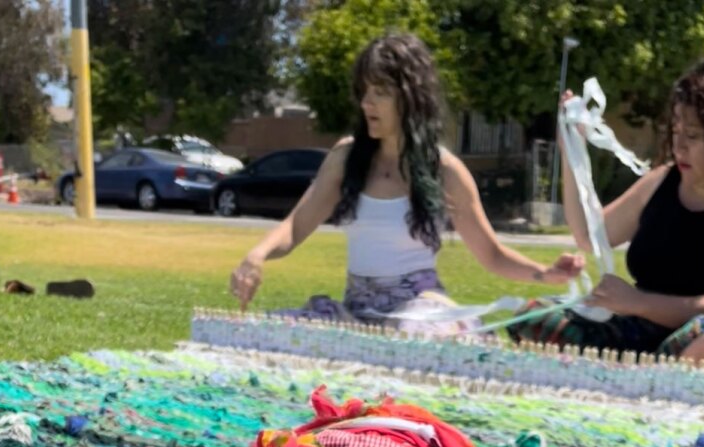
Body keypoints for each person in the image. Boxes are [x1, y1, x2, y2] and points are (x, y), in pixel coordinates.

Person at [229, 32, 583, 328]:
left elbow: (491, 254)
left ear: (410, 97)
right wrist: (256, 256)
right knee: (273, 330)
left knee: (421, 338)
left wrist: (545, 273)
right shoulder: (345, 158)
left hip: (419, 313)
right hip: (356, 313)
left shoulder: (445, 170)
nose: (367, 103)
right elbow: (295, 227)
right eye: (364, 92)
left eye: (380, 92)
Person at [515, 56, 704, 370]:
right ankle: (633, 382)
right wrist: (571, 150)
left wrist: (637, 302)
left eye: (693, 136)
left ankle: (632, 385)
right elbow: (591, 236)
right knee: (535, 317)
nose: (679, 146)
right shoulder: (661, 181)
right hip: (639, 334)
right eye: (676, 131)